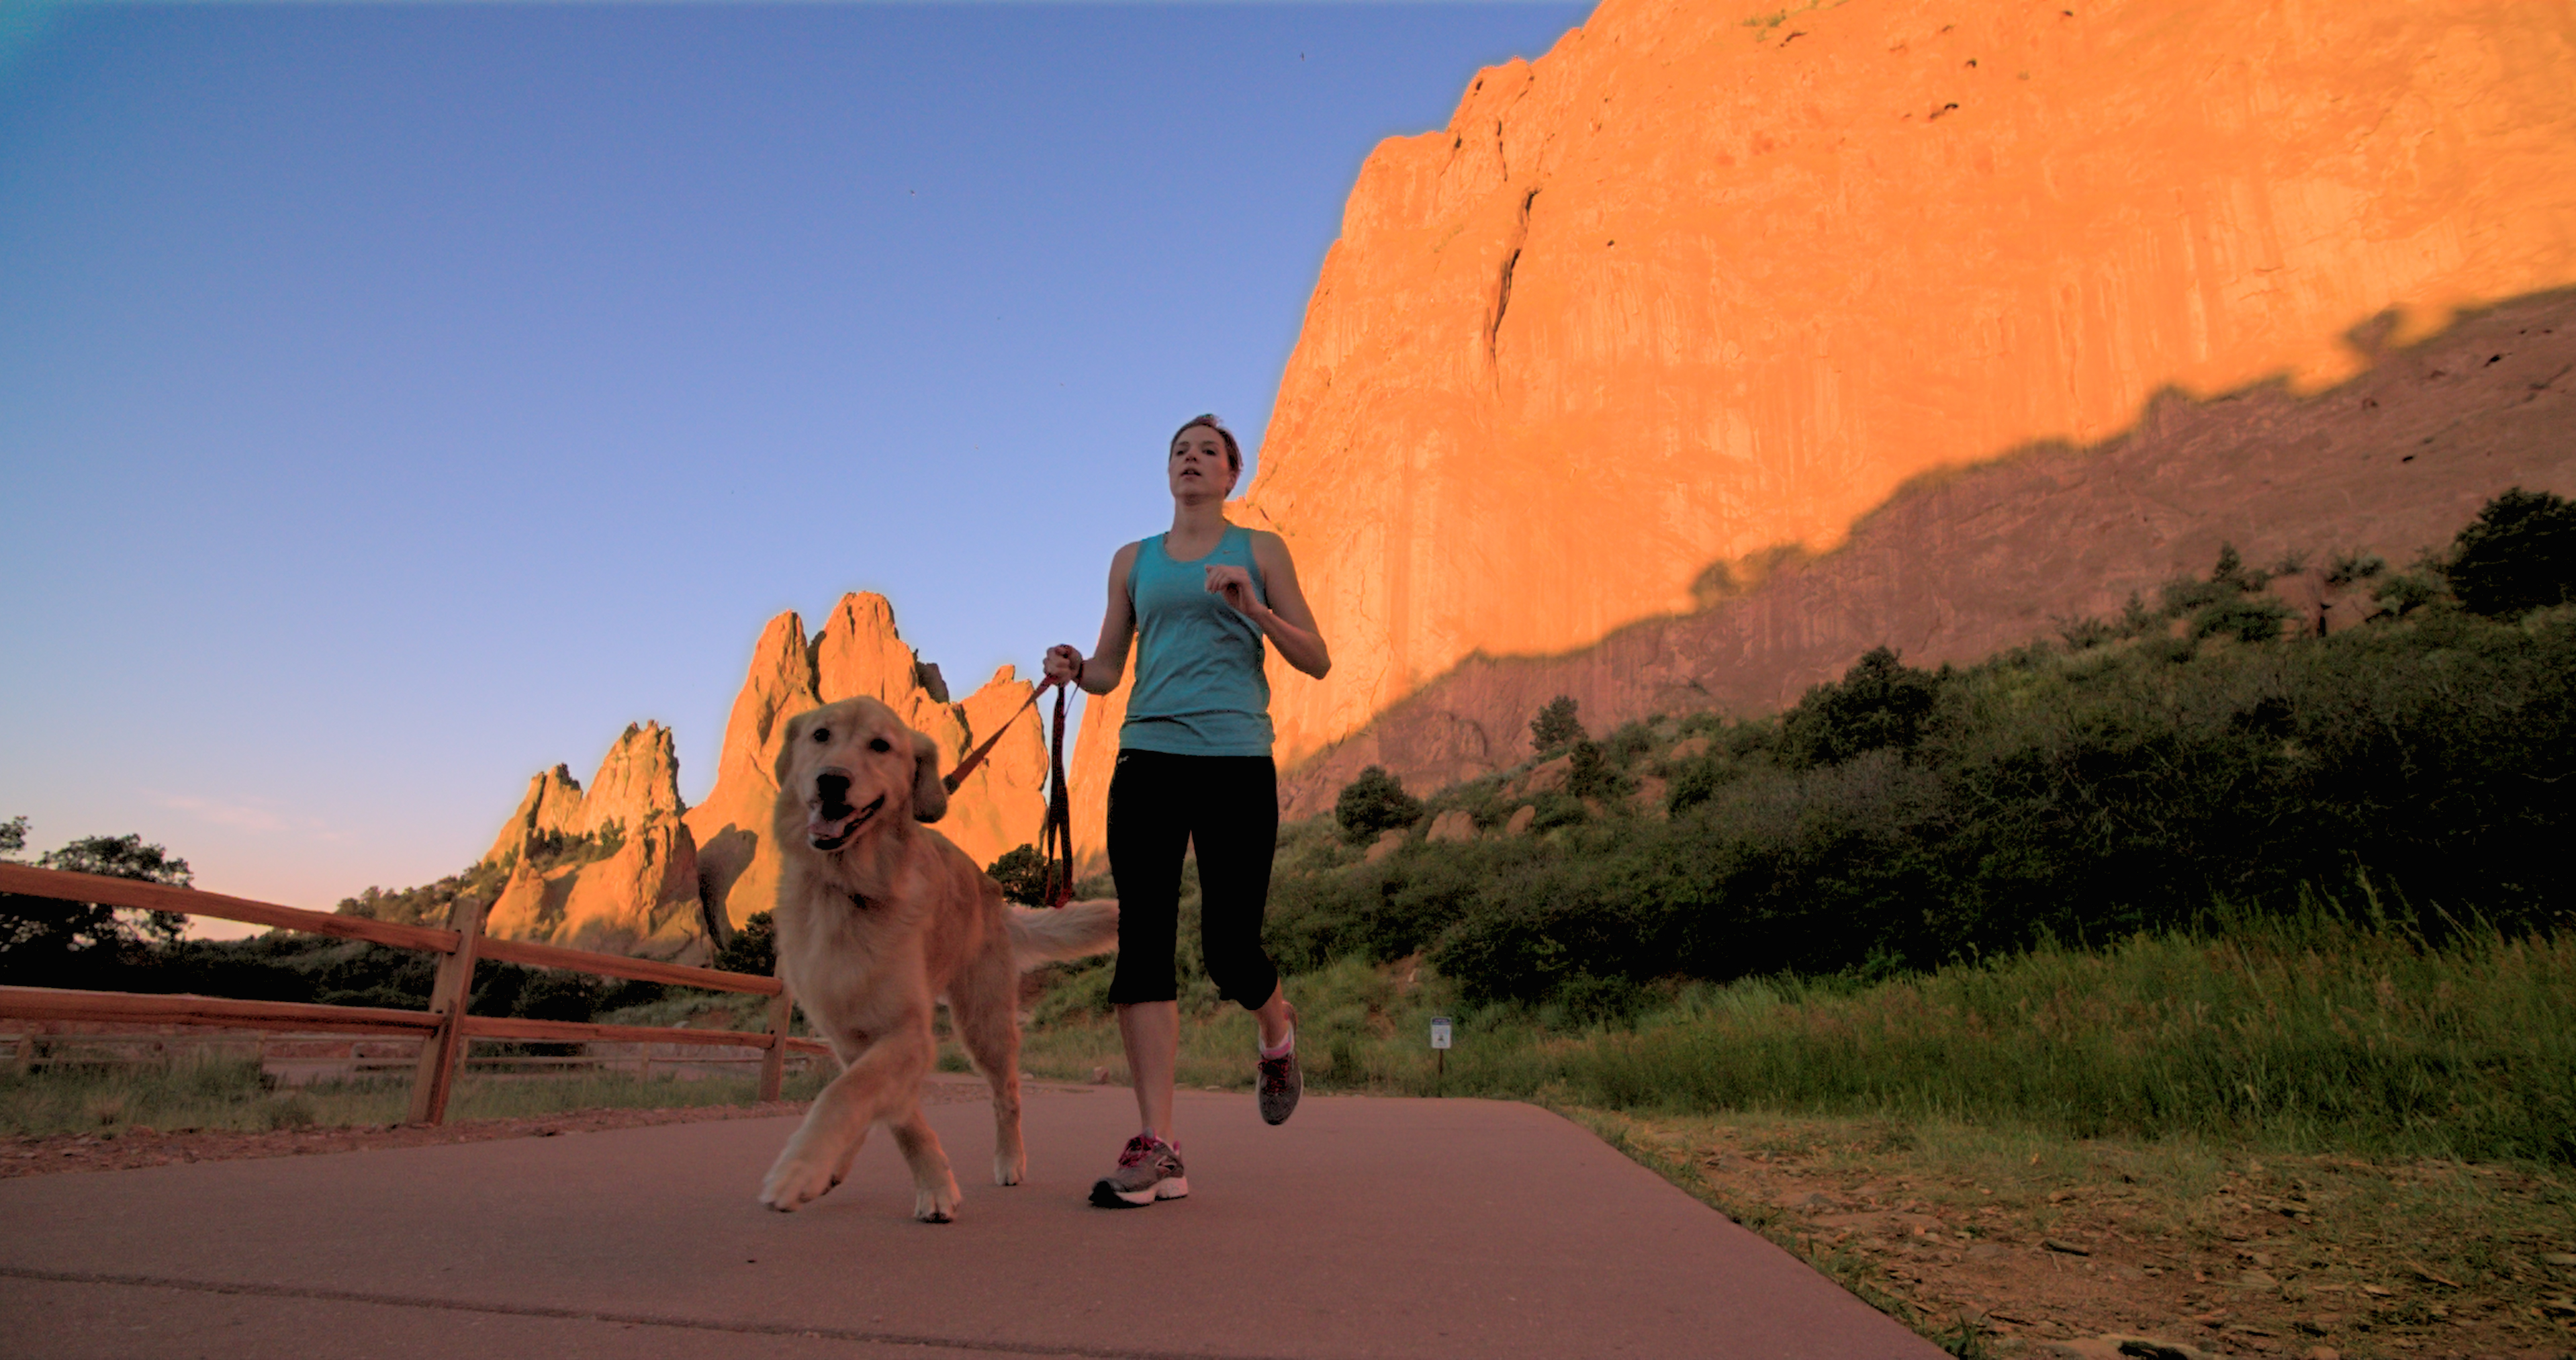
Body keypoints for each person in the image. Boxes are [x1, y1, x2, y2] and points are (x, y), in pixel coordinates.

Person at [1042, 413, 1332, 1210]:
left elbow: (1316, 656)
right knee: (1144, 944)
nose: (1191, 460)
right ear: (1166, 473)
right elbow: (1109, 669)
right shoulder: (1131, 562)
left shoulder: (1259, 551)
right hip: (1147, 761)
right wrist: (1075, 667)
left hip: (1237, 759)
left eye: (1208, 451)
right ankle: (1158, 1147)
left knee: (1230, 951)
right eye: (1180, 451)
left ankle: (1275, 1028)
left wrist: (1254, 610)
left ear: (1231, 474)